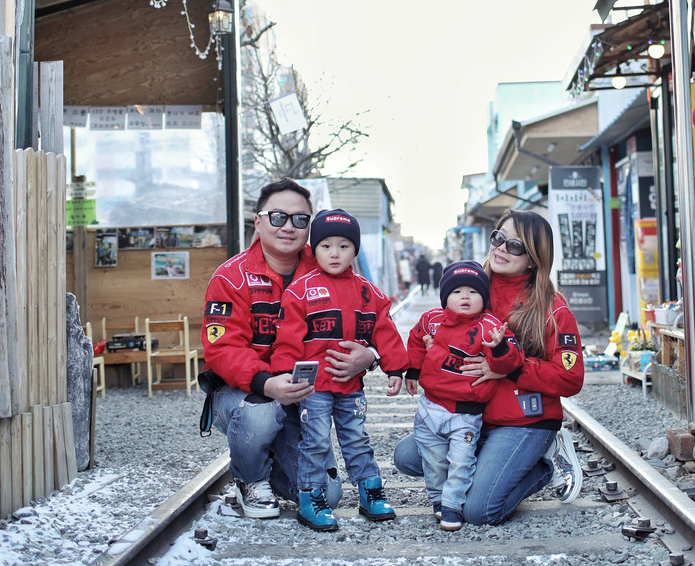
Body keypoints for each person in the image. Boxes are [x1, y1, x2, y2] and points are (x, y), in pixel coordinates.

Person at [200, 179, 379, 520]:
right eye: (278, 216)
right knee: (260, 412)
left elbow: (368, 315)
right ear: (258, 221)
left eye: (300, 220)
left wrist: (369, 355)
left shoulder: (328, 265)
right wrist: (267, 384)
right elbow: (222, 349)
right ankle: (250, 478)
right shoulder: (230, 278)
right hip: (247, 394)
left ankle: (268, 467)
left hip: (306, 397)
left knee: (329, 494)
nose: (288, 227)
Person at [393, 209, 585, 526]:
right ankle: (495, 465)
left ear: (534, 258)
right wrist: (432, 349)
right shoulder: (471, 287)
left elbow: (570, 378)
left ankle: (546, 464)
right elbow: (438, 332)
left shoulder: (553, 308)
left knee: (479, 511)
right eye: (498, 238)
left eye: (515, 245)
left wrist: (509, 367)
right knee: (407, 457)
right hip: (469, 417)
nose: (500, 248)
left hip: (524, 420)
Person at [271, 208, 410, 532]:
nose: (335, 253)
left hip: (351, 387)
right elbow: (288, 338)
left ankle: (370, 493)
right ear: (314, 248)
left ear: (355, 250)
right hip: (314, 387)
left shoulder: (369, 292)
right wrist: (282, 374)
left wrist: (396, 368)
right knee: (316, 441)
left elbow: (385, 331)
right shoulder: (301, 290)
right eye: (326, 246)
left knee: (357, 439)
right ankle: (311, 499)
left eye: (344, 246)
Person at [405, 260, 516, 531]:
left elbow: (511, 361)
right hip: (430, 406)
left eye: (473, 292)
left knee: (460, 460)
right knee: (433, 460)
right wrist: (412, 370)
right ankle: (437, 499)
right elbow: (416, 339)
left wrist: (499, 349)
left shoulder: (491, 326)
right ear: (445, 298)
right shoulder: (432, 319)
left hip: (466, 412)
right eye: (457, 292)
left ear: (484, 298)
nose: (465, 296)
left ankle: (453, 503)